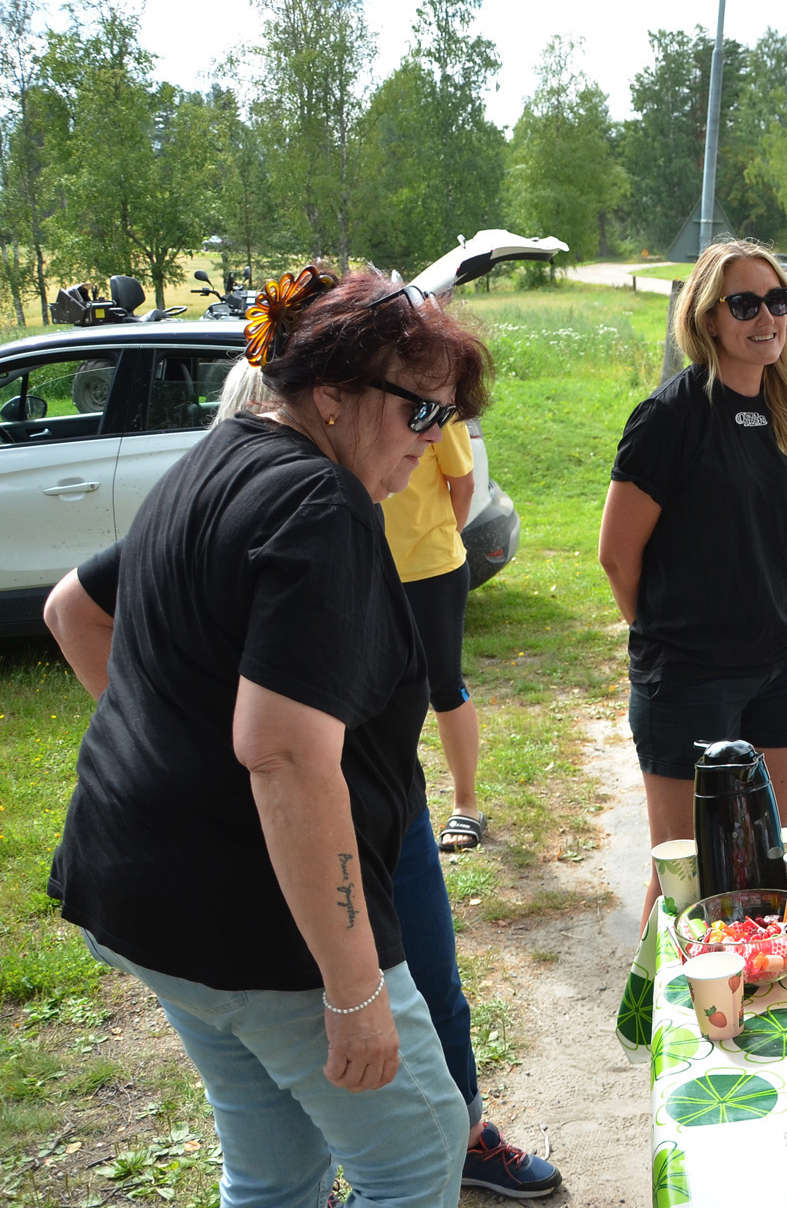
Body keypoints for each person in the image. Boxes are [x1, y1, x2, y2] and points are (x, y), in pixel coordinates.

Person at [63, 355, 564, 1198]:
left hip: (140, 899)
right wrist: (353, 989)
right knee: (418, 1152)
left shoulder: (216, 454)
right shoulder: (319, 501)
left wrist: (182, 752)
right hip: (258, 921)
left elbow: (69, 609)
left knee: (276, 1167)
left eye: (448, 418)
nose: (433, 440)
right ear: (332, 396)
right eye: (420, 413)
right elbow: (287, 756)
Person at [598, 240, 787, 915]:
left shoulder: (778, 411)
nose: (766, 317)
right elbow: (615, 554)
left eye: (777, 301)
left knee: (767, 868)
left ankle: (751, 1014)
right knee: (684, 885)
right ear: (707, 317)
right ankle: (651, 1023)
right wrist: (670, 637)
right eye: (745, 303)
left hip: (780, 669)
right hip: (689, 678)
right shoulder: (669, 417)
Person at [380, 403, 486, 854]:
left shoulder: (442, 412)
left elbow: (462, 484)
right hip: (370, 564)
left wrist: (444, 539)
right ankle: (388, 800)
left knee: (443, 686)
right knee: (376, 690)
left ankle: (467, 803)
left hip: (433, 570)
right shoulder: (369, 404)